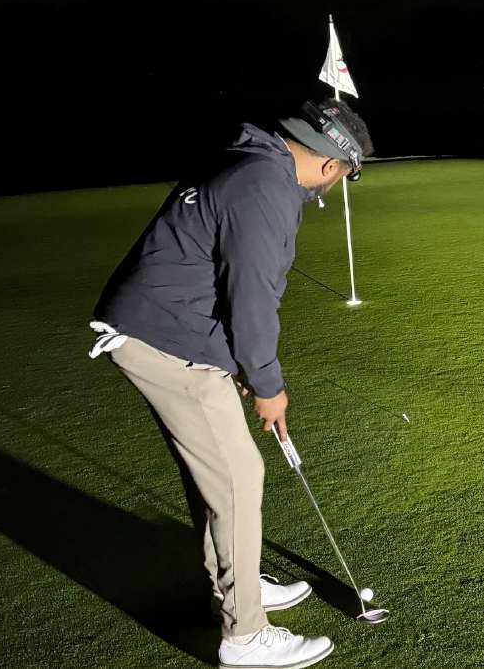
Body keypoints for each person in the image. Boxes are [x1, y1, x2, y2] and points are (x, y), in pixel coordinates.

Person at [88, 99, 373, 668]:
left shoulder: (253, 163)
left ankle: (237, 583)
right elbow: (251, 298)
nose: (331, 187)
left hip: (165, 329)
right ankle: (244, 635)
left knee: (217, 474)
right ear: (330, 164)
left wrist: (241, 366)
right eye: (341, 176)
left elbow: (218, 276)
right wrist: (266, 383)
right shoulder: (266, 186)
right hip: (167, 339)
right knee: (240, 476)